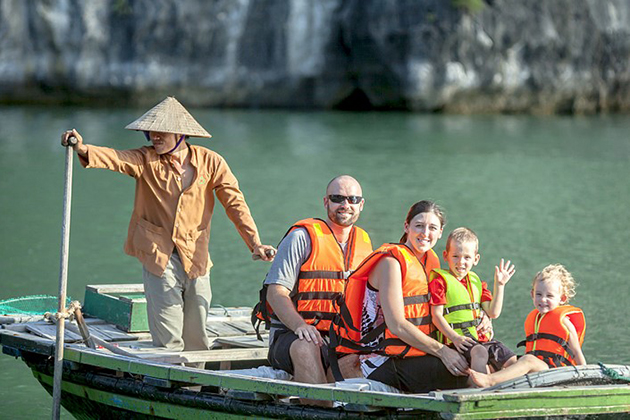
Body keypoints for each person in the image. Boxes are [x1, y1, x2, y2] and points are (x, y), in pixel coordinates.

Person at [61, 97, 276, 362]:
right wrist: (82, 148)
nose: (155, 137)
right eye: (151, 132)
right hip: (158, 254)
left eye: (161, 132)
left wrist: (255, 243)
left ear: (181, 135)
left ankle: (199, 385)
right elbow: (116, 158)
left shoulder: (211, 162)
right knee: (168, 338)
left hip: (196, 254)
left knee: (198, 331)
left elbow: (235, 204)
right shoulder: (145, 159)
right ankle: (174, 380)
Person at [254, 175, 372, 403]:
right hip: (291, 336)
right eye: (337, 198)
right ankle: (320, 410)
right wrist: (300, 326)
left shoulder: (365, 243)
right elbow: (275, 292)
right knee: (307, 346)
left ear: (361, 204)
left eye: (352, 199)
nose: (345, 205)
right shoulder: (301, 237)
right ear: (326, 201)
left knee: (362, 358)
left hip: (339, 338)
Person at [332, 200, 470, 393]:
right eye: (419, 226)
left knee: (482, 358)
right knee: (466, 376)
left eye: (432, 228)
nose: (425, 233)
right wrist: (443, 352)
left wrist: (480, 320)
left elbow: (445, 310)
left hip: (419, 352)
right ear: (407, 227)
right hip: (382, 359)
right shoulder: (391, 262)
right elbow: (396, 325)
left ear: (440, 232)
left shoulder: (431, 262)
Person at [469, 264, 586, 388]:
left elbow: (577, 353)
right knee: (505, 359)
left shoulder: (564, 322)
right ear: (532, 294)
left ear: (562, 298)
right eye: (539, 294)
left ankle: (490, 381)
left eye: (549, 296)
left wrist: (584, 377)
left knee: (528, 360)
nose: (543, 300)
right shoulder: (535, 318)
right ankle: (482, 384)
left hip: (556, 372)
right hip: (539, 368)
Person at [429, 227, 517, 375]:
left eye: (467, 257)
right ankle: (480, 389)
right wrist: (455, 338)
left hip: (482, 340)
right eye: (455, 256)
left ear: (476, 259)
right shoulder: (440, 282)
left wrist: (500, 285)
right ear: (446, 256)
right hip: (457, 342)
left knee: (511, 360)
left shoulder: (477, 282)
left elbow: (493, 313)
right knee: (480, 353)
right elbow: (436, 316)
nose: (461, 262)